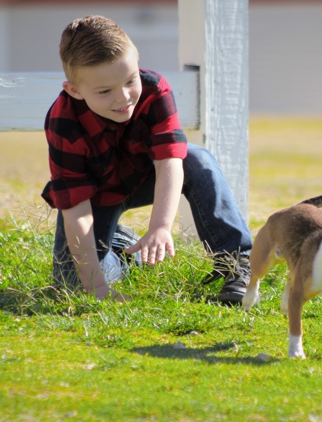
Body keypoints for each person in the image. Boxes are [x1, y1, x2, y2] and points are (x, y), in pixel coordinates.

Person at [41, 15, 252, 304]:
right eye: (105, 91)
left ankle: (236, 262)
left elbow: (169, 162)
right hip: (96, 199)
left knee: (196, 158)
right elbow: (76, 208)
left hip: (147, 178)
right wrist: (97, 288)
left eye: (130, 80)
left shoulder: (154, 90)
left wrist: (160, 227)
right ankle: (122, 251)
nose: (124, 97)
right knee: (73, 285)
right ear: (74, 90)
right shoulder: (63, 122)